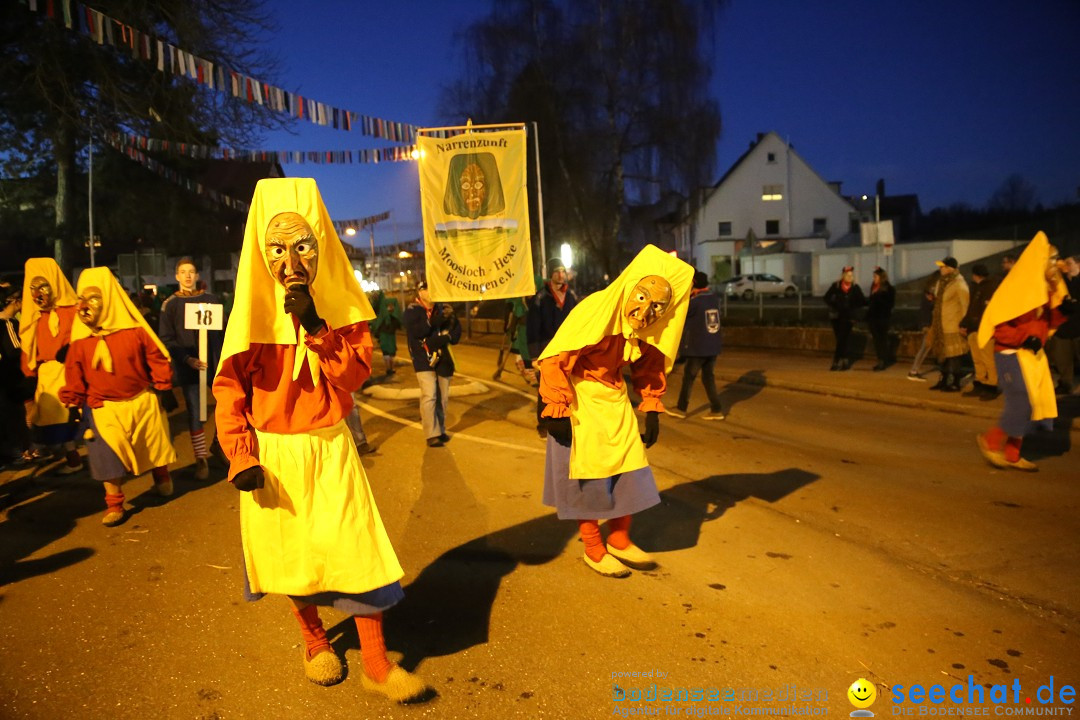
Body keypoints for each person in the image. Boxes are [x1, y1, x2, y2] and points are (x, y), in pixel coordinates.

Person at [212, 178, 425, 700]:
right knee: (294, 556)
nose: (290, 261)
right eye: (277, 248)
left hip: (330, 447)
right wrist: (240, 455)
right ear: (262, 254)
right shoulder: (250, 322)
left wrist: (317, 326)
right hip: (275, 453)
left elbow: (353, 377)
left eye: (302, 245)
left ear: (321, 247)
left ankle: (376, 661)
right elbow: (228, 392)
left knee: (357, 548)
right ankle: (314, 643)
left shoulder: (343, 313)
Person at [537, 245, 693, 578]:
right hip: (581, 397)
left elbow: (650, 362)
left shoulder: (647, 325)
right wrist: (556, 407)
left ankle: (620, 538)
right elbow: (556, 357)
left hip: (615, 397)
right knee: (588, 475)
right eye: (643, 297)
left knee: (630, 468)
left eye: (658, 305)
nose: (648, 309)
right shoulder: (596, 309)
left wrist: (651, 405)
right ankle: (593, 548)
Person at [59, 267, 178, 526]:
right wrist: (73, 401)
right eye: (82, 299)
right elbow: (74, 373)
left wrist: (163, 387)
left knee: (152, 444)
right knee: (106, 455)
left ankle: (162, 477)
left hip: (140, 401)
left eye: (92, 299)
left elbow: (156, 358)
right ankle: (115, 504)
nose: (84, 306)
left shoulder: (135, 331)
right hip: (104, 408)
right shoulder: (81, 342)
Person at [976, 233, 1075, 471]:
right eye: (1053, 259)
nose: (1057, 264)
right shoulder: (1017, 288)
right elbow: (1000, 327)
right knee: (1021, 402)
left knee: (1037, 403)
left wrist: (1065, 310)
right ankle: (990, 441)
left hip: (1033, 355)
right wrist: (1025, 338)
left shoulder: (1045, 288)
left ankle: (1012, 454)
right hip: (1011, 354)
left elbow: (1049, 321)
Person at [158, 257, 223, 480]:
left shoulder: (212, 300)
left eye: (191, 271)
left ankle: (219, 444)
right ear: (177, 276)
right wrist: (187, 359)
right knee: (196, 412)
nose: (187, 275)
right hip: (189, 368)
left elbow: (221, 333)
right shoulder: (170, 305)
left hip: (215, 366)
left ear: (196, 275)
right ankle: (201, 458)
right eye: (183, 271)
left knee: (227, 408)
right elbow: (167, 339)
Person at [20, 258, 83, 473]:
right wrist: (28, 373)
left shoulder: (73, 311)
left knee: (73, 417)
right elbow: (28, 346)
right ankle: (70, 457)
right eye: (33, 288)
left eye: (42, 287)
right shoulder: (33, 316)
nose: (38, 294)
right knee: (50, 419)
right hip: (47, 374)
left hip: (69, 371)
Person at [403, 280, 461, 447]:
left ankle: (440, 430)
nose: (430, 293)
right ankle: (431, 434)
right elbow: (418, 331)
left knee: (442, 397)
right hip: (422, 358)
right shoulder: (413, 310)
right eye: (426, 290)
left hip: (442, 359)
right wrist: (434, 324)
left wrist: (449, 330)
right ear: (419, 293)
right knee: (429, 394)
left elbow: (456, 333)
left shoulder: (443, 309)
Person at [667, 270, 724, 420]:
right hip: (713, 347)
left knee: (689, 377)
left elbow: (678, 315)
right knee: (708, 378)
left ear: (695, 284)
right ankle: (716, 409)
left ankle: (681, 408)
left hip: (698, 347)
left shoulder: (695, 302)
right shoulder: (713, 299)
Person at [0, 285, 34, 465]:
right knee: (18, 415)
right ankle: (21, 450)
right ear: (15, 301)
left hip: (5, 379)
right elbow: (15, 350)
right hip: (12, 378)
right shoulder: (8, 323)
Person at [959, 263, 1000, 397]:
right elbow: (972, 308)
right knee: (978, 358)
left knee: (987, 359)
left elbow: (984, 310)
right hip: (974, 328)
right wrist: (965, 323)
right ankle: (981, 381)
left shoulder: (990, 287)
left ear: (975, 275)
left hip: (984, 329)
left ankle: (992, 385)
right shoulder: (976, 287)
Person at [929, 257, 970, 392]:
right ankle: (944, 379)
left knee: (954, 355)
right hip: (940, 325)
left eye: (943, 267)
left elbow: (965, 305)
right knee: (942, 354)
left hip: (953, 325)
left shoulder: (959, 284)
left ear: (951, 268)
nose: (941, 269)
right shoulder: (941, 283)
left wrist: (964, 324)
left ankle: (954, 382)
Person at [1046, 255, 1079, 395]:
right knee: (1062, 359)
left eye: (1069, 263)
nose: (1066, 266)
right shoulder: (1062, 281)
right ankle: (1065, 383)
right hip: (1063, 327)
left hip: (1078, 327)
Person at [823, 266, 866, 371]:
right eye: (848, 275)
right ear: (843, 276)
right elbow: (826, 297)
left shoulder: (855, 287)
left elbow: (862, 301)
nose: (850, 277)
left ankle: (837, 361)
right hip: (837, 316)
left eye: (851, 275)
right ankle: (845, 359)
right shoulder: (836, 286)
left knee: (842, 338)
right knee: (841, 339)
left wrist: (853, 306)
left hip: (848, 317)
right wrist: (835, 304)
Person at [907, 270, 941, 382]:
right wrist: (925, 325)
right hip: (930, 323)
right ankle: (913, 371)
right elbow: (927, 309)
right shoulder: (931, 291)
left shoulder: (929, 290)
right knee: (925, 347)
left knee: (926, 347)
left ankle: (914, 370)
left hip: (929, 322)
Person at [865, 267, 895, 371]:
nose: (874, 278)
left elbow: (889, 304)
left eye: (875, 276)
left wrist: (877, 298)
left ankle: (883, 361)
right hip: (873, 319)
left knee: (882, 340)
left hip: (882, 318)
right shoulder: (873, 287)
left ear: (881, 277)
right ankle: (880, 360)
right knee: (877, 341)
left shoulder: (889, 289)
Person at [371, 292, 403, 377]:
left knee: (387, 352)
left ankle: (389, 368)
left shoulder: (382, 316)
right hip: (390, 335)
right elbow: (398, 323)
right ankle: (390, 368)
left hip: (385, 335)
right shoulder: (394, 316)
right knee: (390, 352)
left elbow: (377, 325)